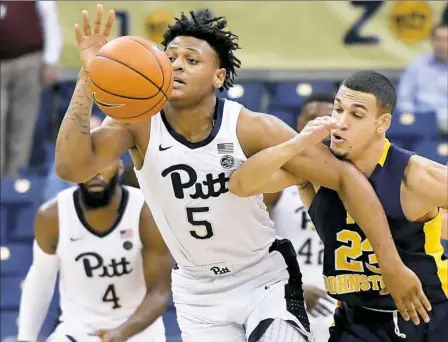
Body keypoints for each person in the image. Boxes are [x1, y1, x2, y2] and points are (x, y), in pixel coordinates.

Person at [55, 5, 429, 341]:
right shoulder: (136, 124)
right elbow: (71, 168)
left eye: (191, 59)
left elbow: (346, 178)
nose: (178, 65)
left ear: (219, 77)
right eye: (170, 57)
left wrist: (392, 265)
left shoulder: (253, 128)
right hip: (197, 291)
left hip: (262, 278)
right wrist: (90, 77)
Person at [229, 70, 448, 341]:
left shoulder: (415, 176)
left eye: (356, 115)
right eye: (338, 110)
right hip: (356, 318)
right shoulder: (318, 171)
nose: (340, 123)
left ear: (383, 123)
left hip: (427, 314)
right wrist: (298, 143)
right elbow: (240, 185)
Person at [18, 120, 171, 342]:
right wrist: (25, 338)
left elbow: (159, 292)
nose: (95, 173)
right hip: (76, 331)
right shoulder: (52, 216)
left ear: (119, 168)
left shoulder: (145, 213)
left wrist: (121, 333)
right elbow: (40, 281)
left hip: (137, 331)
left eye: (103, 163)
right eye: (87, 164)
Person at [266, 94, 336, 342]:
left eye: (327, 120)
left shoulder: (357, 178)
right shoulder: (278, 179)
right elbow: (249, 239)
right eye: (312, 119)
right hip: (287, 295)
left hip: (343, 297)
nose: (320, 127)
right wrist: (290, 286)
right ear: (299, 123)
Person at [0, 0, 62, 178]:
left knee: (23, 124)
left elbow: (49, 17)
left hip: (27, 60)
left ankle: (14, 183)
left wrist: (50, 60)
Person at [396, 23, 448, 132]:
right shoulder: (418, 64)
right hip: (419, 123)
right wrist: (411, 117)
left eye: (446, 40)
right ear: (432, 41)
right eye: (438, 39)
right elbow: (404, 97)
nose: (442, 45)